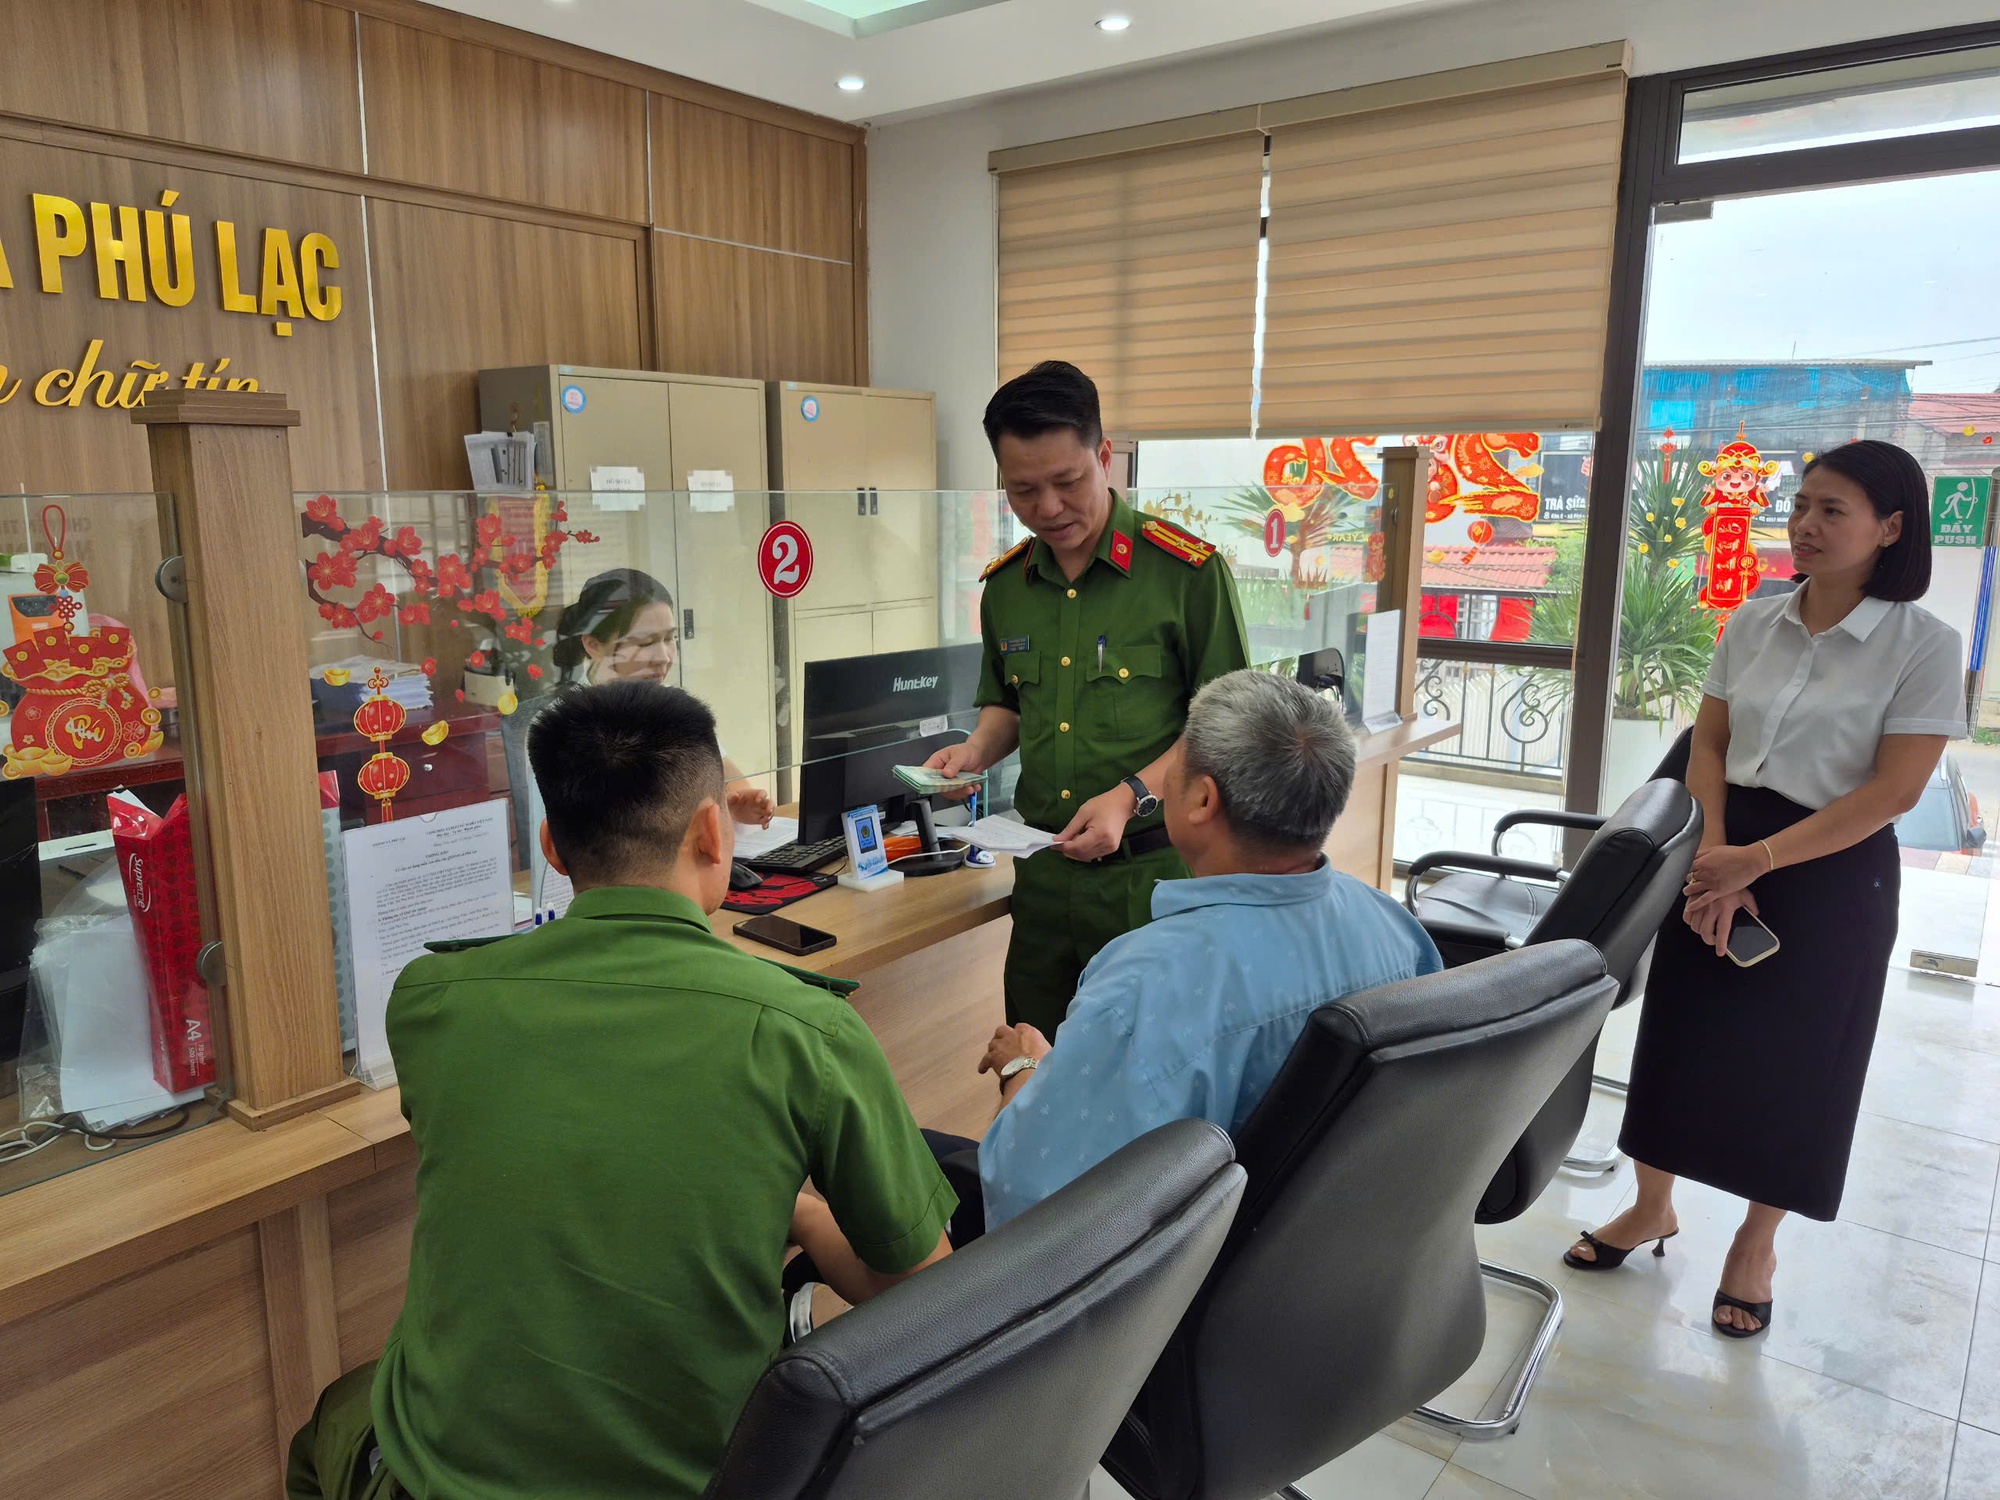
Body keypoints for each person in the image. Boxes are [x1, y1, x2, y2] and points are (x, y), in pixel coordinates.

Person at [286, 682, 954, 1500]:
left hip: (445, 1481)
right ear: (715, 831)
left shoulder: (432, 1001)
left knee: (340, 1411)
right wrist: (809, 1215)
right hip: (708, 1481)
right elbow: (930, 1295)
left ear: (552, 850)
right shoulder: (804, 1032)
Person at [805, 671, 1440, 1256]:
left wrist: (1025, 1072)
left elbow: (1035, 1206)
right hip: (1310, 1264)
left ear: (1200, 801)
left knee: (865, 1156)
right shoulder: (1394, 927)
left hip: (1143, 1299)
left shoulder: (1146, 985)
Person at [1565, 440, 1965, 1339]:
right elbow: (1707, 746)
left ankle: (1756, 1243)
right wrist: (1713, 854)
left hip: (1831, 867)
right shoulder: (1753, 620)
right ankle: (1650, 1206)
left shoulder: (1924, 646)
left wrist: (1759, 862)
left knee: (1801, 1067)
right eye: (1802, 505)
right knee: (1679, 1035)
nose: (1807, 525)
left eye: (1834, 510)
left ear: (1890, 528)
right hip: (1721, 842)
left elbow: (1894, 792)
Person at [925, 361, 1251, 1038]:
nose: (1047, 508)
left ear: (1104, 457)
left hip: (1154, 878)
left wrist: (1130, 793)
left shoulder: (1186, 574)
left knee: (1151, 1082)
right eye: (1022, 490)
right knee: (1032, 1069)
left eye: (1067, 482)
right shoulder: (1008, 586)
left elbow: (1226, 724)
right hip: (1044, 878)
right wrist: (974, 752)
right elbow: (1008, 705)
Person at [549, 566, 774, 827]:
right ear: (594, 645)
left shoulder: (675, 706)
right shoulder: (562, 725)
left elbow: (728, 778)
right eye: (645, 643)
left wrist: (739, 803)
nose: (664, 658)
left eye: (670, 638)